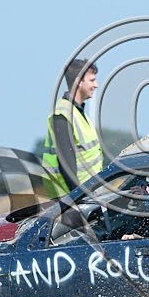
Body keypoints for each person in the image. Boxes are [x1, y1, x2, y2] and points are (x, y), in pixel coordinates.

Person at [42, 58, 103, 198]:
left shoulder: (78, 113)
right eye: (92, 80)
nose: (96, 85)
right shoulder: (62, 115)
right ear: (78, 82)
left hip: (85, 195)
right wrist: (78, 197)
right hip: (67, 198)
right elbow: (67, 166)